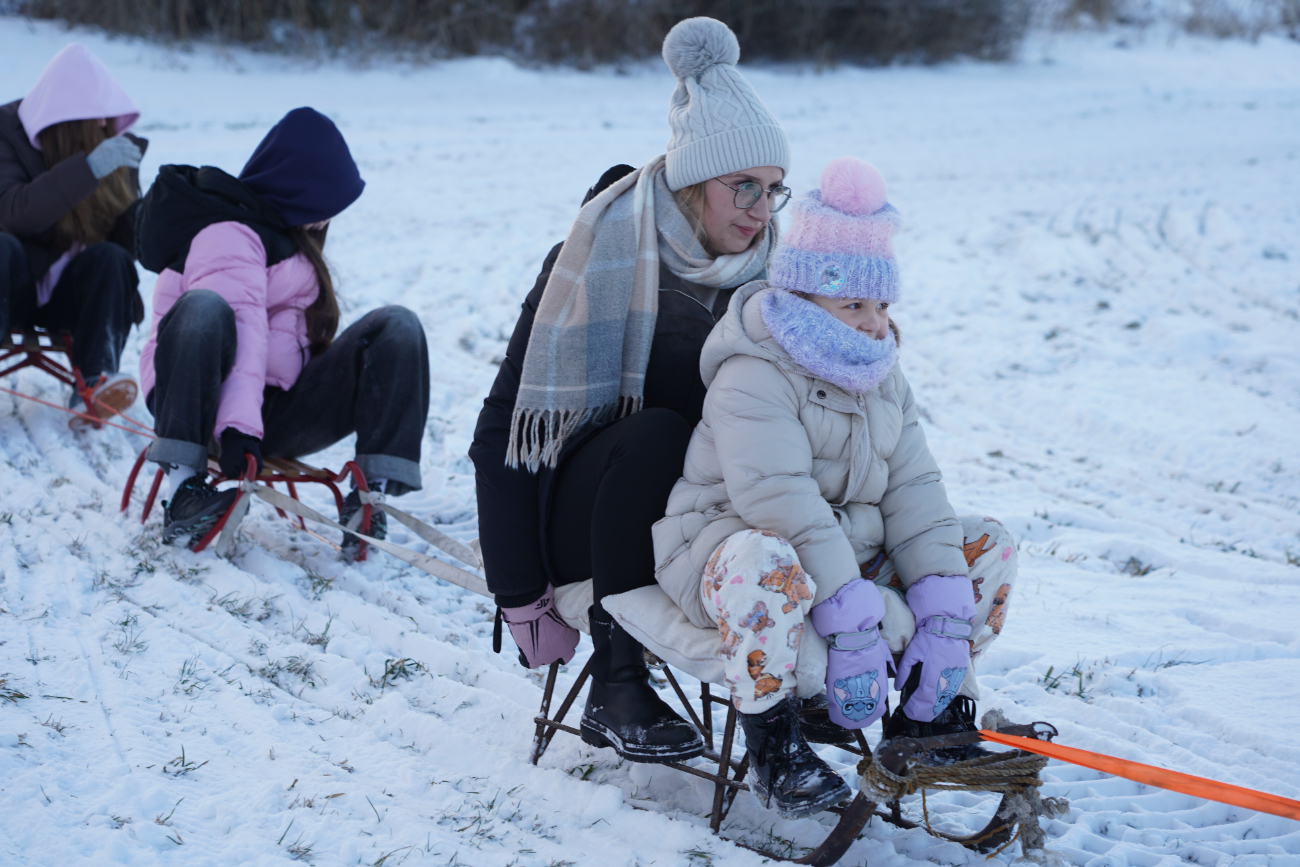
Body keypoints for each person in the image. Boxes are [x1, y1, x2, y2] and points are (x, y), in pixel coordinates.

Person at [650, 157, 1019, 818]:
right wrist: (849, 620)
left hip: (841, 552)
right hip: (733, 548)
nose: (876, 322)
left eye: (881, 304)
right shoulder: (755, 371)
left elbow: (915, 488)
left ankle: (926, 716)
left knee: (987, 541)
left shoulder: (879, 369)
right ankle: (777, 746)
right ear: (805, 298)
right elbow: (779, 502)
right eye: (854, 304)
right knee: (767, 557)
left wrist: (940, 616)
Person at [470, 17, 794, 764]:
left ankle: (791, 697)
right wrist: (520, 597)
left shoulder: (768, 285)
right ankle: (616, 686)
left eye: (773, 189)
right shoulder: (596, 259)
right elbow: (503, 432)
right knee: (656, 431)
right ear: (691, 182)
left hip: (697, 510)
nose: (759, 207)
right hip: (584, 516)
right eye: (742, 184)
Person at [136, 107, 430, 555]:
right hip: (202, 409)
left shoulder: (287, 241)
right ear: (297, 189)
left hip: (272, 413)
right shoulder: (230, 233)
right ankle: (184, 492)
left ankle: (372, 494)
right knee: (205, 309)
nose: (324, 221)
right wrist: (237, 430)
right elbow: (245, 328)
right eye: (322, 204)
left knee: (397, 327)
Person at [0, 43, 148, 429]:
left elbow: (129, 252)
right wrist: (87, 169)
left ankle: (96, 385)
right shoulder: (6, 134)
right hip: (11, 287)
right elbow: (15, 213)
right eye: (96, 117)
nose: (104, 126)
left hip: (73, 299)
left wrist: (143, 214)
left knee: (111, 260)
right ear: (68, 118)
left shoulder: (115, 150)